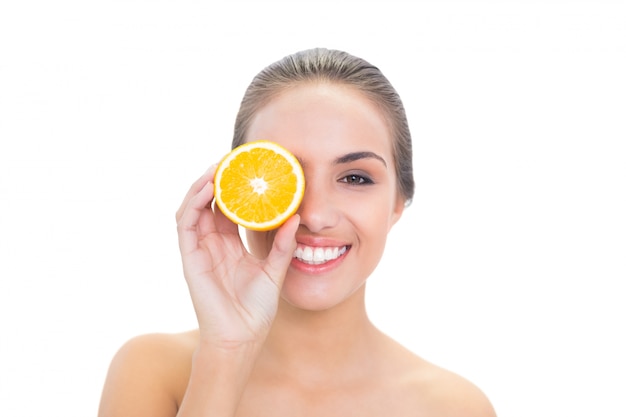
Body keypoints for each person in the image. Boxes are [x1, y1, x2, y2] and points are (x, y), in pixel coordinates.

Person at [98, 47, 497, 417]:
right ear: (235, 186)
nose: (314, 215)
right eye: (286, 177)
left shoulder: (454, 406)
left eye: (355, 177)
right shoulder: (152, 370)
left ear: (397, 202)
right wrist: (225, 353)